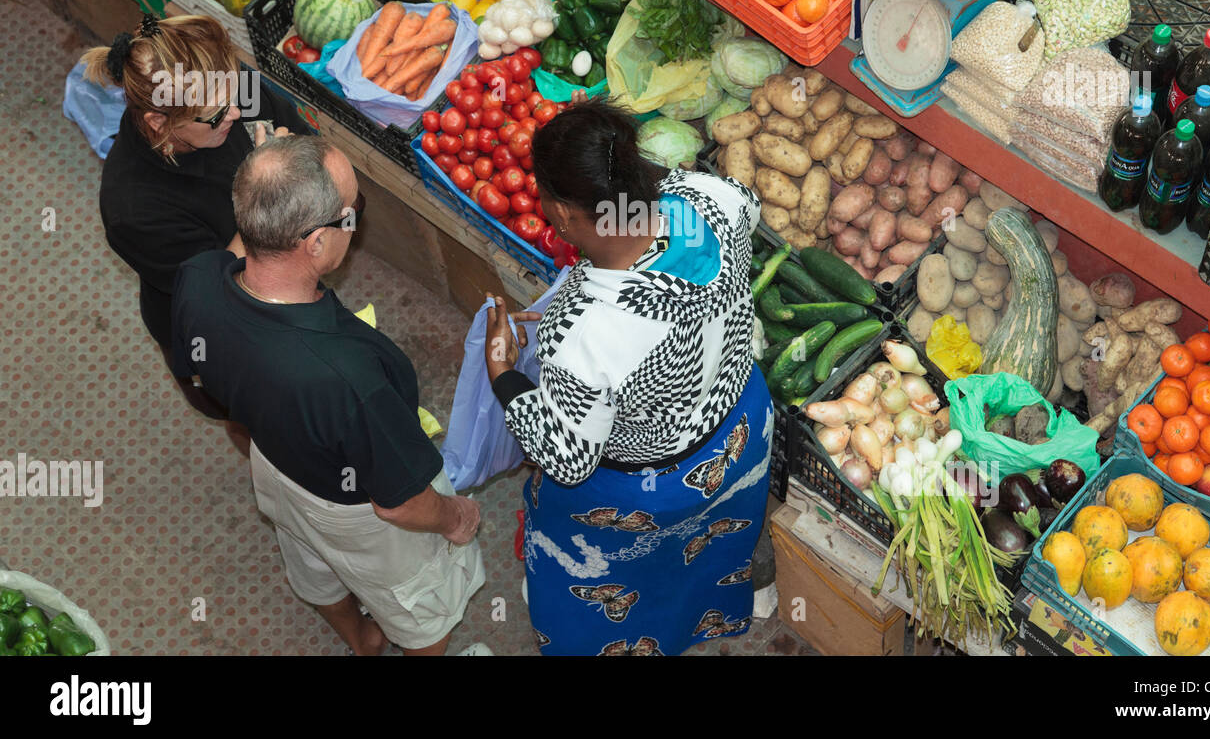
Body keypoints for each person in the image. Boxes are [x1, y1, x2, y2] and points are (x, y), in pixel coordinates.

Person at [170, 136, 485, 656]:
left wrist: (272, 187)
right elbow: (399, 505)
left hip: (274, 470)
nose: (356, 224)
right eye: (351, 214)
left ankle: (361, 640)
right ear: (315, 243)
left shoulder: (197, 279)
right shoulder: (348, 377)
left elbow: (215, 393)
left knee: (314, 565)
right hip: (357, 511)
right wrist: (457, 518)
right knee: (422, 612)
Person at [485, 99, 772, 656]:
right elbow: (727, 224)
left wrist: (503, 375)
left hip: (653, 485)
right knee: (705, 554)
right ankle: (710, 615)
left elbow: (569, 458)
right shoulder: (711, 199)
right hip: (736, 429)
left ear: (563, 216)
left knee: (603, 567)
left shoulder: (583, 336)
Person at [88, 13, 299, 451]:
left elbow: (295, 135)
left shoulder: (225, 88)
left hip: (282, 267)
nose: (237, 112)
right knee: (250, 415)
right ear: (158, 122)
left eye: (233, 90)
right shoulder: (133, 209)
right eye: (217, 115)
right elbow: (221, 289)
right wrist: (263, 190)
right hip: (212, 325)